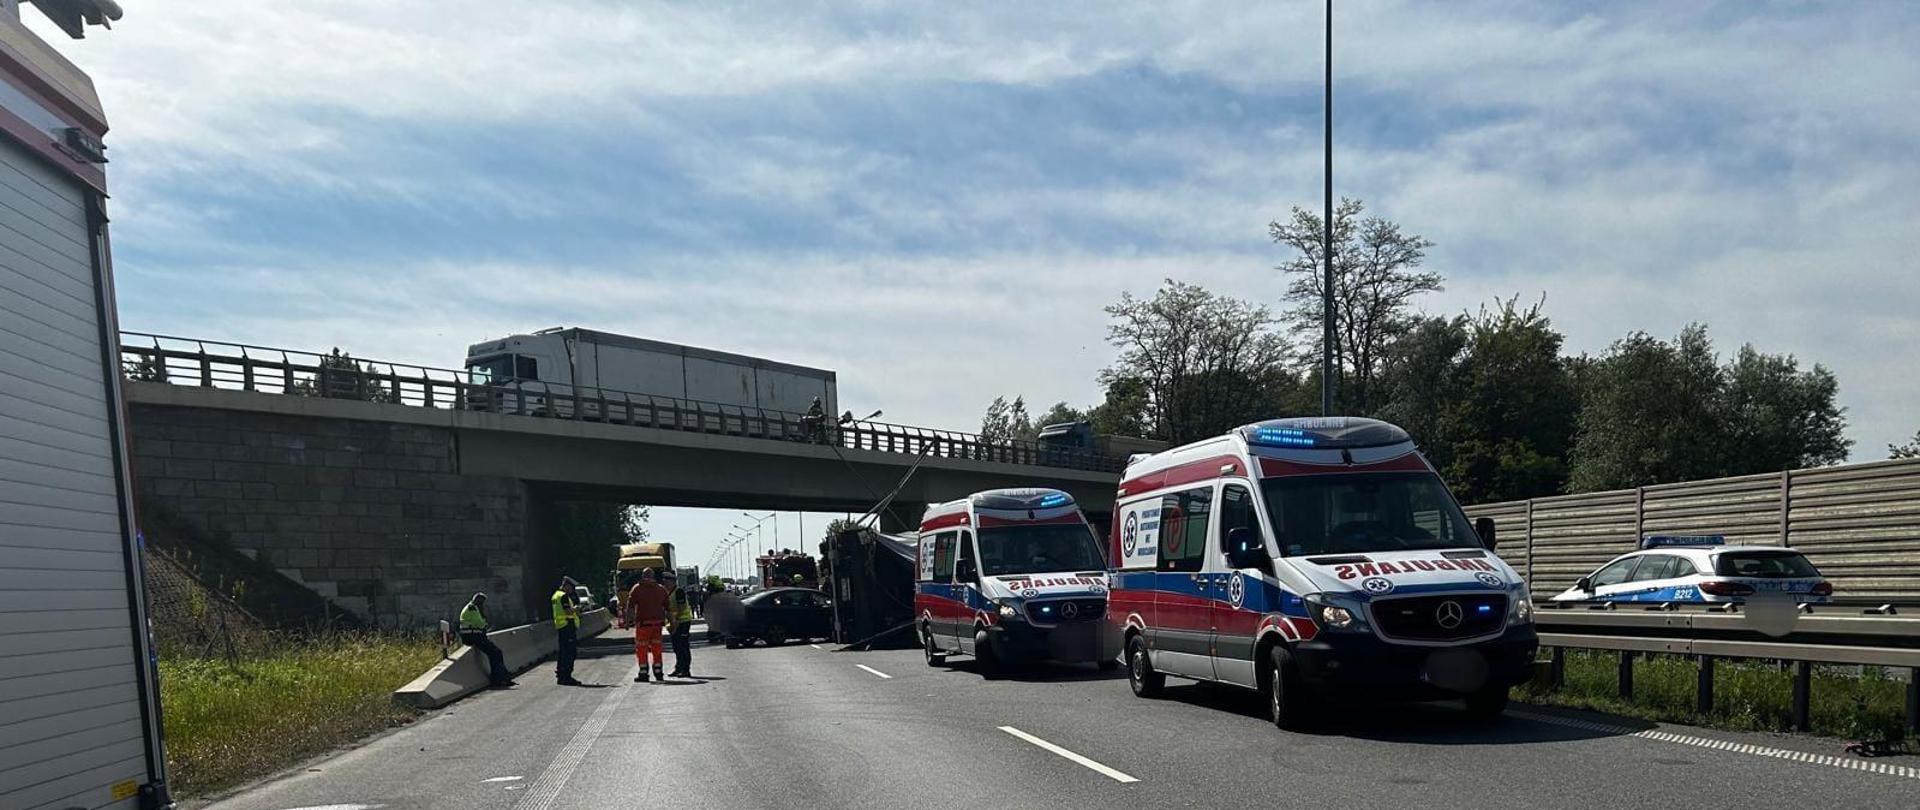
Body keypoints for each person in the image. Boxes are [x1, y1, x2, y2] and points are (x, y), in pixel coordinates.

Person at [458, 593, 514, 688]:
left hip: (475, 635)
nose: (483, 604)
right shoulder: (472, 608)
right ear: (478, 600)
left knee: (496, 652)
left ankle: (502, 677)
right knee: (495, 653)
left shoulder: (473, 607)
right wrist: (485, 621)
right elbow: (480, 623)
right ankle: (498, 679)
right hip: (473, 636)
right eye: (482, 602)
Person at [626, 568, 669, 682]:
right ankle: (658, 672)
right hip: (657, 625)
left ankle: (643, 673)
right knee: (657, 648)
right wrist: (672, 623)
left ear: (642, 576)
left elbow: (630, 607)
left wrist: (627, 622)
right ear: (654, 576)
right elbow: (668, 608)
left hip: (643, 625)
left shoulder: (637, 589)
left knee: (642, 649)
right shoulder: (661, 589)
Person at [551, 576, 582, 686]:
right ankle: (567, 677)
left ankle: (561, 675)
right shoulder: (563, 596)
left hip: (561, 627)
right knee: (570, 653)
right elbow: (568, 612)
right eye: (572, 588)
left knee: (563, 652)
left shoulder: (555, 595)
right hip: (567, 626)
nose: (572, 590)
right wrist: (576, 609)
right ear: (567, 586)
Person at [665, 569, 695, 678]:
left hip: (682, 622)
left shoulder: (678, 592)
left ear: (672, 581)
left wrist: (675, 620)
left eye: (666, 581)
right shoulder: (668, 592)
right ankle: (678, 668)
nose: (665, 584)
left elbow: (681, 607)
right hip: (674, 623)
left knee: (683, 646)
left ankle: (686, 669)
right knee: (676, 647)